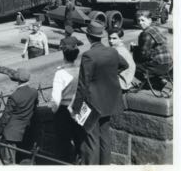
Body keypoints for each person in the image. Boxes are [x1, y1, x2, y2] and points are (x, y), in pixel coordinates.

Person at [71, 20, 129, 165]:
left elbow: (83, 84)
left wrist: (76, 109)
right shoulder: (112, 51)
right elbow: (125, 65)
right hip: (109, 101)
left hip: (92, 104)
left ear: (88, 37)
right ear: (101, 36)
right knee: (105, 137)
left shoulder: (88, 55)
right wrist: (109, 75)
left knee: (91, 139)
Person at [0, 68, 38, 164]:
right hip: (25, 129)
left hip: (11, 133)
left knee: (8, 161)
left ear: (18, 80)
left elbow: (6, 117)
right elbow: (35, 107)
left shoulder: (14, 96)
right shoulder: (34, 92)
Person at [49, 46, 83, 163]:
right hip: (78, 107)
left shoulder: (60, 73)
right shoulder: (80, 69)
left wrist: (53, 110)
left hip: (64, 109)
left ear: (64, 56)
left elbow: (56, 97)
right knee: (79, 138)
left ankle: (65, 163)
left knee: (63, 140)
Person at [131, 10, 172, 87]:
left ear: (150, 20)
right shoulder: (154, 29)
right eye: (138, 20)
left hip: (160, 65)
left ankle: (153, 83)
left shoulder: (146, 33)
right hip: (168, 62)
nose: (140, 23)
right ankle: (158, 81)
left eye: (143, 20)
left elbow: (143, 55)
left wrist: (134, 49)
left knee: (132, 66)